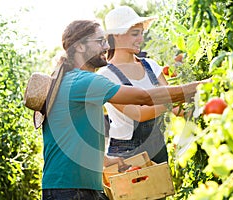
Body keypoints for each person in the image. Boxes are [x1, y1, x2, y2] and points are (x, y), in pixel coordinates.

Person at [41, 19, 207, 200]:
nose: (106, 46)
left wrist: (105, 160)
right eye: (99, 41)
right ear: (80, 47)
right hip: (69, 190)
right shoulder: (84, 81)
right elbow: (143, 97)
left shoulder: (72, 80)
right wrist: (203, 86)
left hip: (76, 187)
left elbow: (74, 136)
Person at [97, 6, 184, 164]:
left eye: (141, 34)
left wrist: (200, 107)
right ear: (116, 36)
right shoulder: (106, 76)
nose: (141, 39)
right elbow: (139, 113)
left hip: (157, 146)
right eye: (135, 34)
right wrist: (173, 101)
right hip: (125, 154)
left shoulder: (151, 65)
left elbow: (174, 101)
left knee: (163, 189)